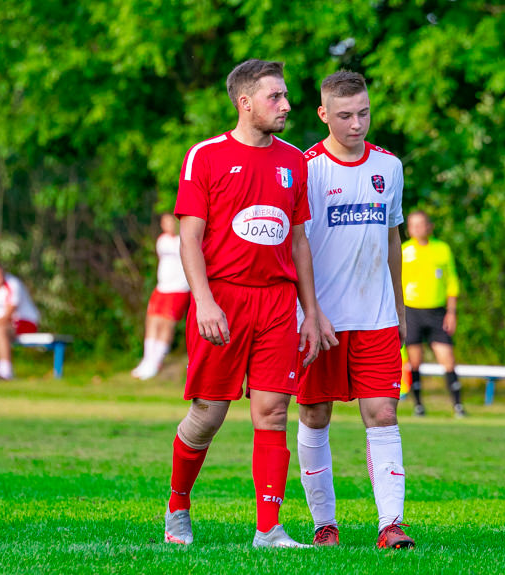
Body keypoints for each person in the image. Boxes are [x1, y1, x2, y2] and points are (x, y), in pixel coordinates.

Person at [163, 59, 322, 549]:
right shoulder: (205, 156)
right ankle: (178, 506)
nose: (287, 106)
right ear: (245, 102)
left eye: (286, 96)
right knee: (208, 414)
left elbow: (299, 241)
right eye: (276, 97)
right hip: (223, 299)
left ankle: (269, 529)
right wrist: (205, 302)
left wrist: (311, 312)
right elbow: (189, 239)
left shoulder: (295, 160)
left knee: (273, 411)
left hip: (277, 301)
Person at [296, 70, 414, 549]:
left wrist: (400, 309)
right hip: (319, 319)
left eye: (363, 113)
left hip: (377, 317)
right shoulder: (306, 168)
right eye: (345, 116)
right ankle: (325, 524)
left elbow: (392, 238)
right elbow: (295, 242)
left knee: (383, 414)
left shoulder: (390, 166)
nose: (356, 124)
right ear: (324, 114)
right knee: (315, 414)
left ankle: (392, 525)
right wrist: (308, 312)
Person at [401, 210, 465, 417]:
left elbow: (452, 281)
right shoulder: (403, 250)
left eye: (422, 224)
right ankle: (418, 405)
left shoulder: (442, 249)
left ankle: (457, 405)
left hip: (437, 311)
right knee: (415, 360)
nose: (418, 229)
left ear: (430, 226)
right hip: (412, 310)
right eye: (413, 225)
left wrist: (451, 312)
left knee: (447, 357)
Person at [131, 214, 191, 380]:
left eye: (171, 222)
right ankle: (147, 359)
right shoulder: (162, 241)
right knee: (152, 321)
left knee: (166, 324)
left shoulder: (185, 240)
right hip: (162, 288)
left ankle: (156, 362)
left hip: (178, 289)